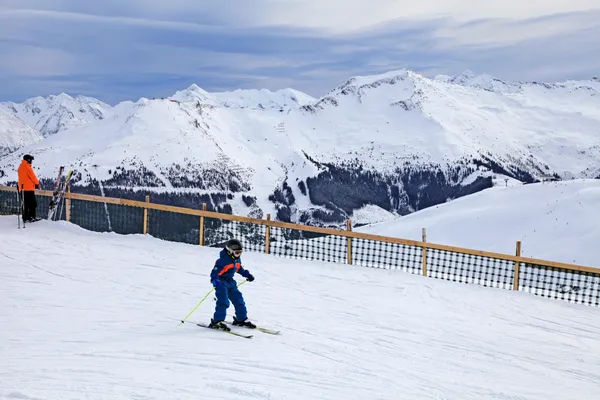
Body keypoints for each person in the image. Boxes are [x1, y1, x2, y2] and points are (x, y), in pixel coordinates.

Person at [208, 239, 256, 331]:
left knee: (238, 299)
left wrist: (247, 275)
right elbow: (214, 273)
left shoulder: (236, 259)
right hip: (221, 283)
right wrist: (215, 280)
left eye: (240, 253)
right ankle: (217, 321)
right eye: (237, 253)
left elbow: (239, 268)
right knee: (224, 301)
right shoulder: (222, 261)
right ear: (230, 252)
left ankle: (241, 319)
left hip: (230, 282)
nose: (239, 255)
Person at [17, 154, 41, 222]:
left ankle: (25, 217)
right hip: (29, 189)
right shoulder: (27, 167)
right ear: (28, 160)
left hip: (22, 189)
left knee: (25, 204)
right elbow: (33, 177)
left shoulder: (20, 167)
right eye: (31, 160)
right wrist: (37, 183)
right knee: (32, 204)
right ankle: (32, 217)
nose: (32, 162)